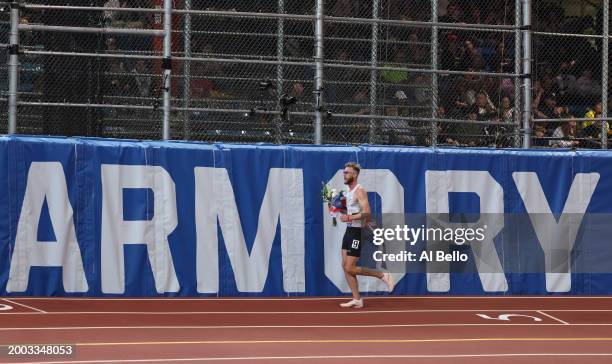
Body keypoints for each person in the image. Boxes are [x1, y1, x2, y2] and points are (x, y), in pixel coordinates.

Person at [335, 162, 395, 309]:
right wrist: (334, 207)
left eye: (347, 172)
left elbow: (367, 213)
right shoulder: (347, 191)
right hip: (349, 231)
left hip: (357, 232)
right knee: (345, 266)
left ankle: (381, 275)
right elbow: (347, 211)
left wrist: (349, 218)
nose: (344, 174)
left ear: (354, 175)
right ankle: (357, 299)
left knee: (350, 267)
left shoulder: (359, 190)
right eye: (344, 172)